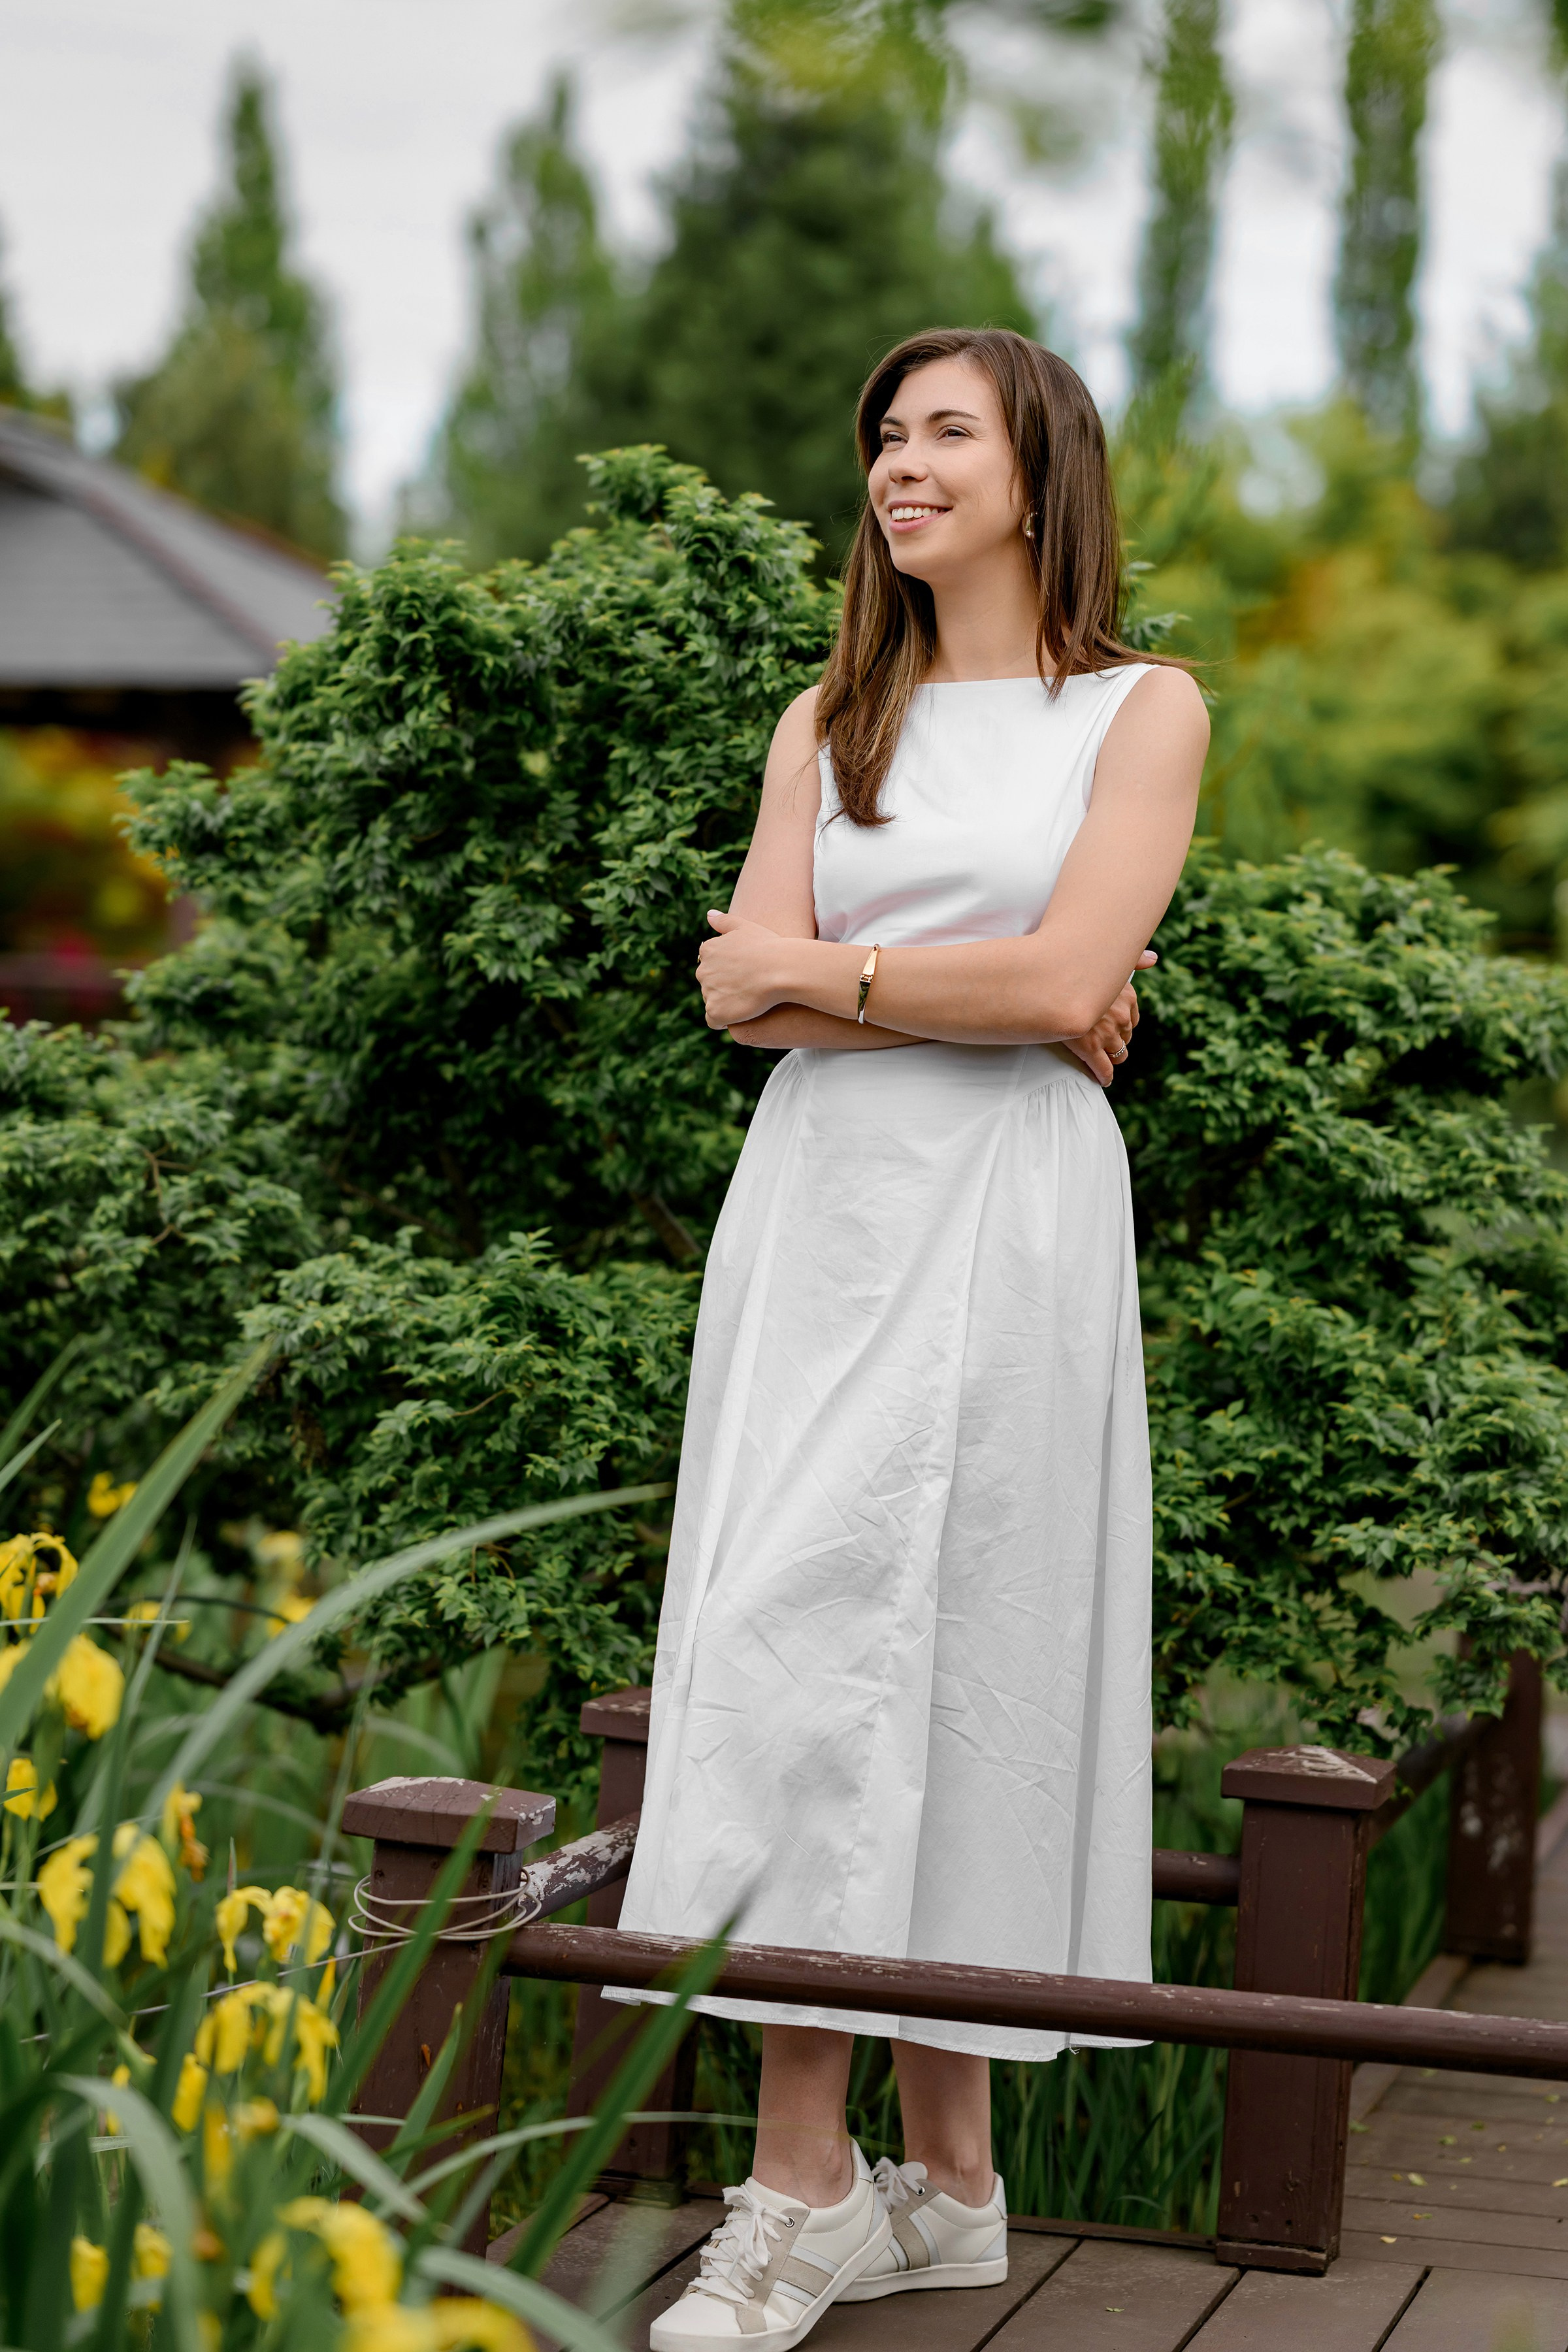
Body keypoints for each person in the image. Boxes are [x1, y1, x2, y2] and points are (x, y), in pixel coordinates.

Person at [610, 326, 1207, 2352]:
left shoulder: (1139, 711)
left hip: (1013, 1220)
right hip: (826, 1210)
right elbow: (743, 1001)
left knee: (954, 1641)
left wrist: (854, 967)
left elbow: (1067, 978)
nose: (899, 461)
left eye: (945, 429)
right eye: (883, 434)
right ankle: (892, 2181)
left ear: (1041, 464)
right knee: (793, 1622)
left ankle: (870, 2191)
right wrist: (965, 987)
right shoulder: (827, 716)